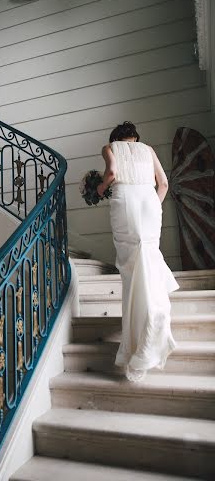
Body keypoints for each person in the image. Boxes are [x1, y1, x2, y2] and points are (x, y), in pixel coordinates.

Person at [97, 121, 179, 382]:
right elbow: (163, 183)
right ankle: (154, 318)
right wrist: (152, 204)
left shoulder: (109, 147)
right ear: (135, 138)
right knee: (149, 260)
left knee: (131, 270)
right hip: (149, 203)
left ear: (116, 138)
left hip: (126, 204)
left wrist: (99, 188)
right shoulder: (148, 149)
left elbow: (111, 173)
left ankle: (139, 337)